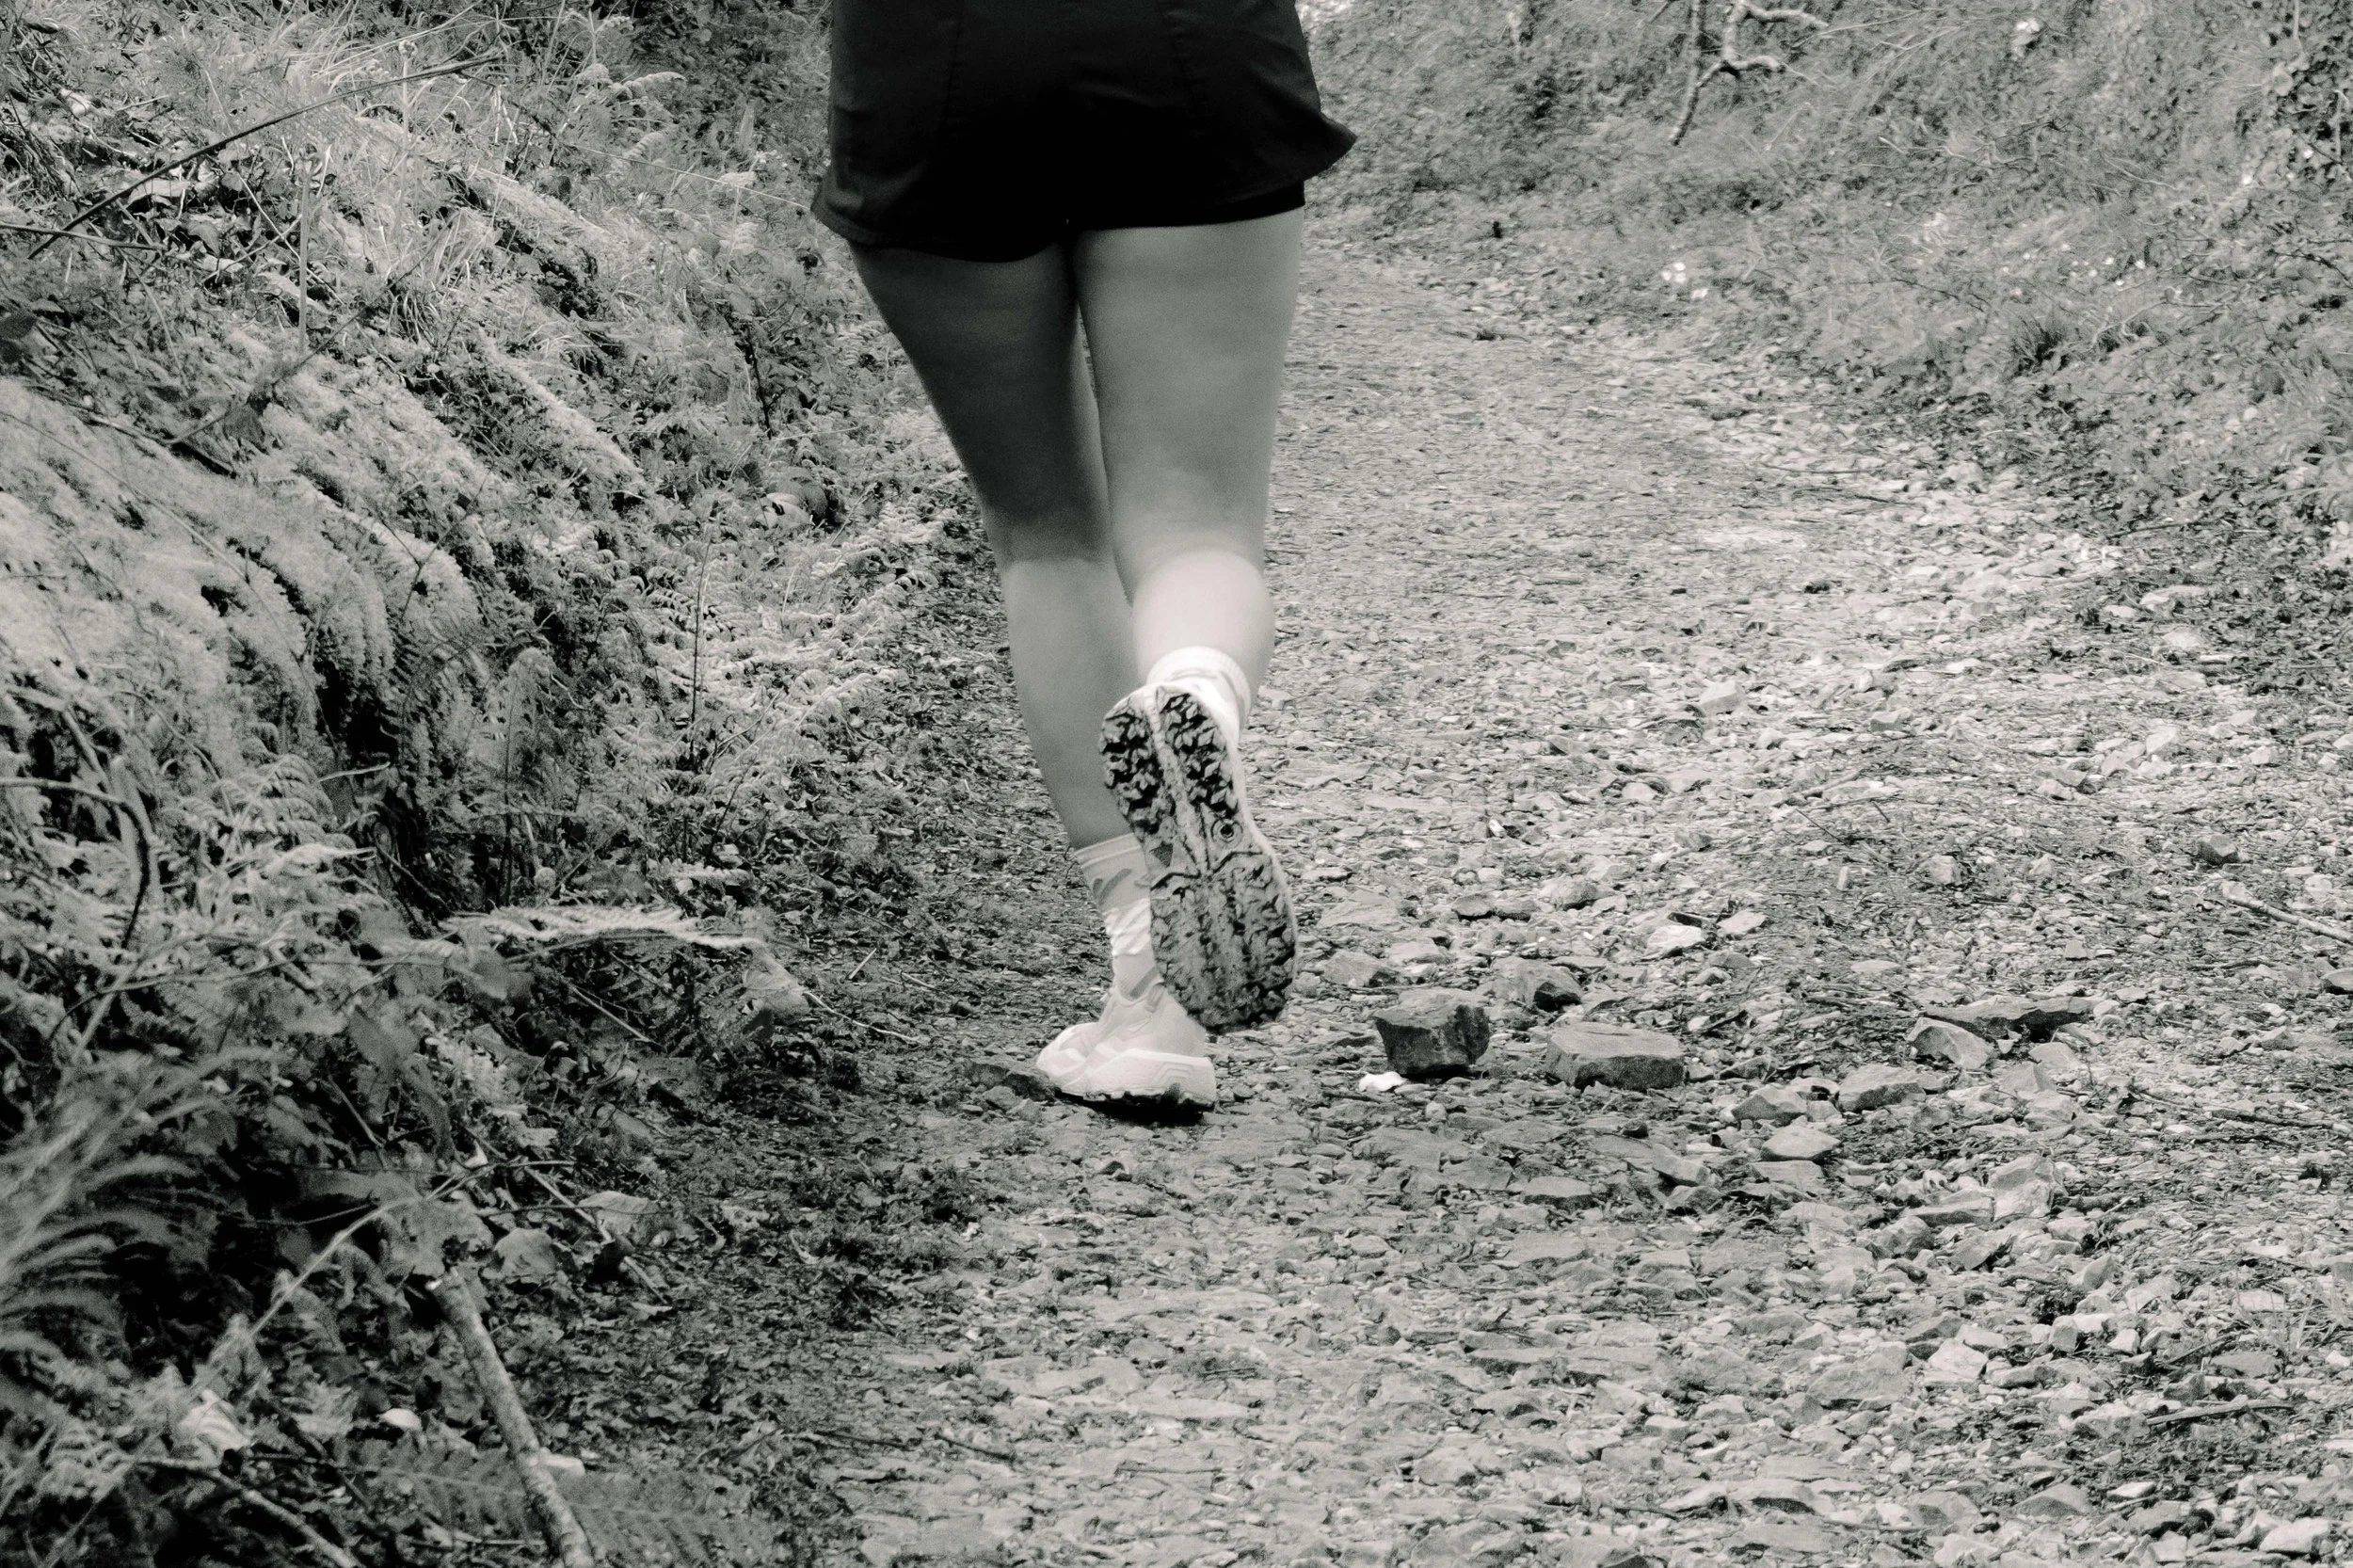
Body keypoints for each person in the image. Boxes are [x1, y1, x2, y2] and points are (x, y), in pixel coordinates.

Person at [816, 0, 1354, 1109]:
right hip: (1186, 45)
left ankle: (1147, 981)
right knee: (1195, 524)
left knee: (1048, 535)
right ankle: (1194, 689)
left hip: (938, 60)